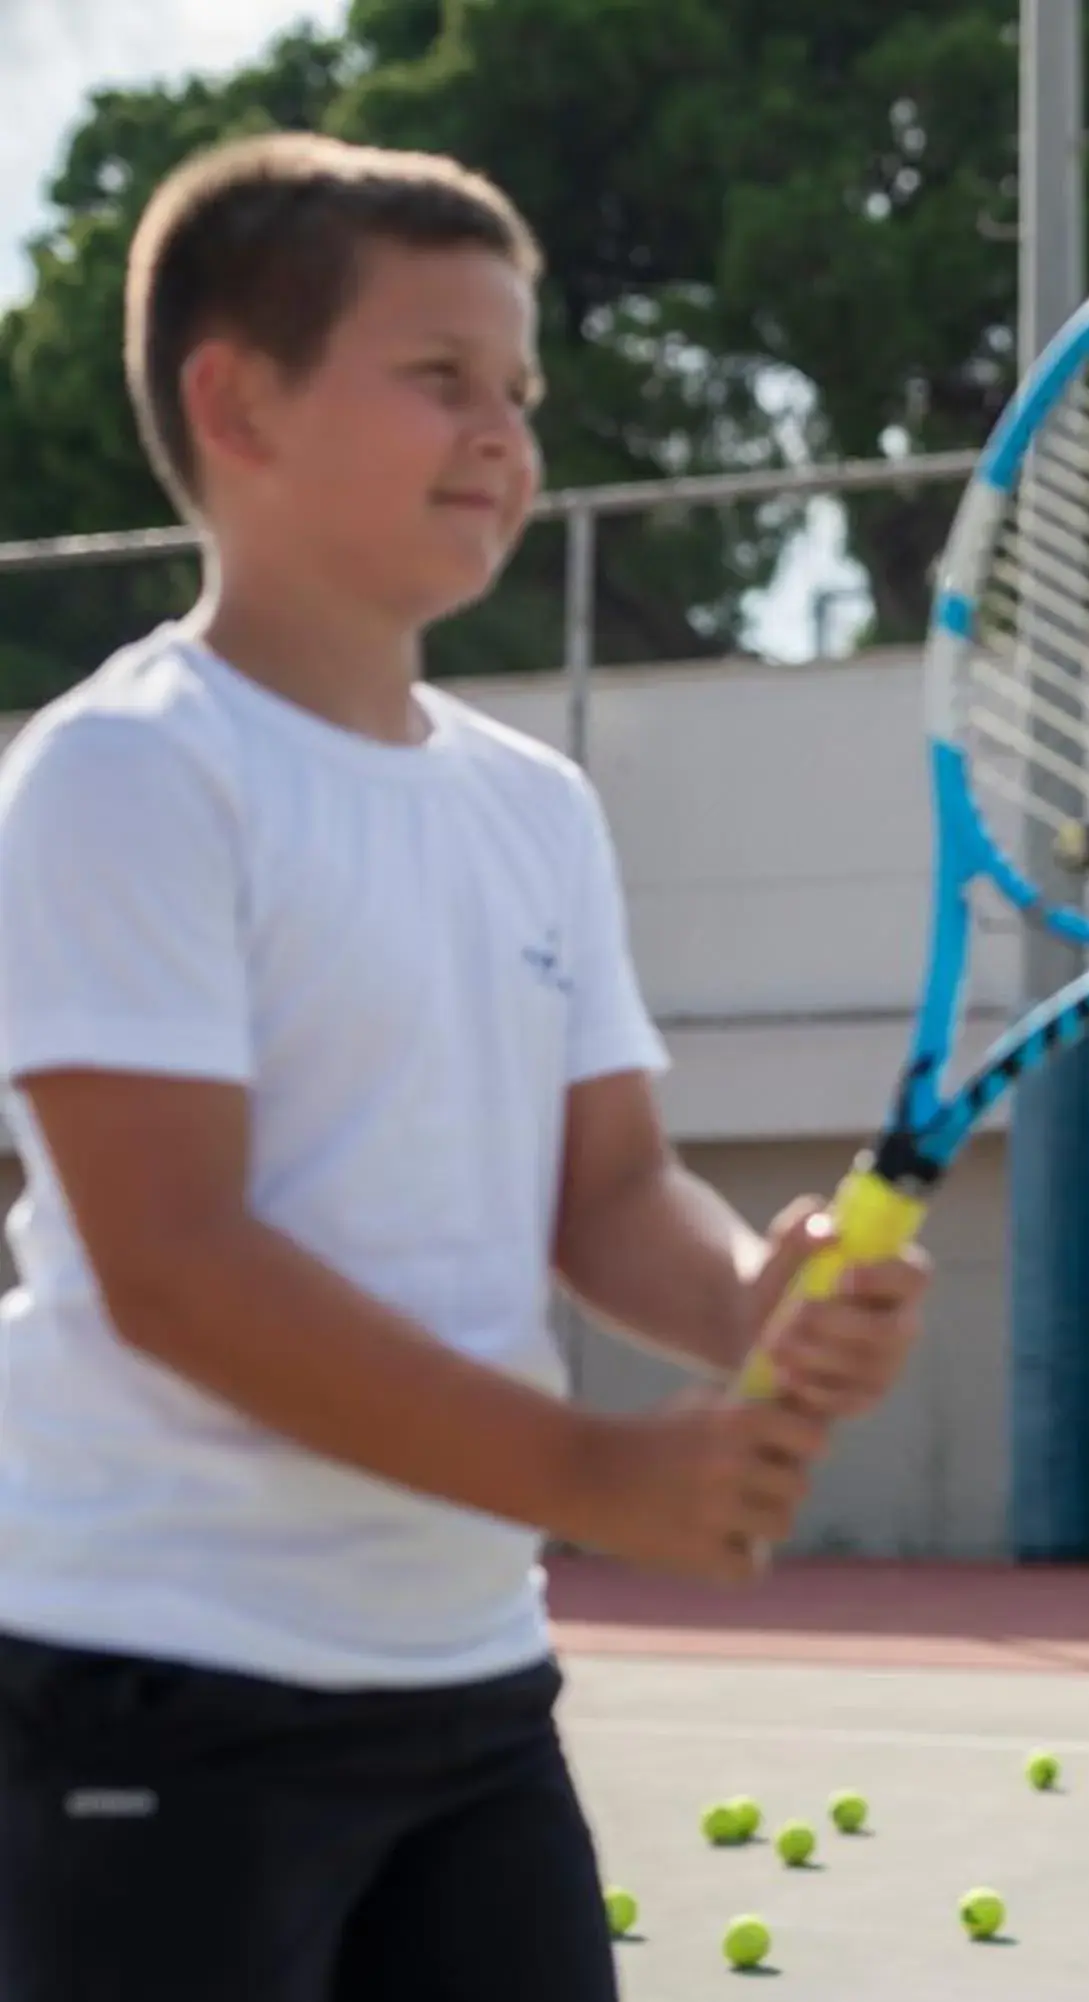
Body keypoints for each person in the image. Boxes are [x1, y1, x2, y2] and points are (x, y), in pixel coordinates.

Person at [0, 134, 929, 2001]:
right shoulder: (124, 779)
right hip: (149, 1680)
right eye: (439, 378)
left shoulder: (536, 809)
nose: (504, 431)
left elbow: (603, 1188)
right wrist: (601, 1468)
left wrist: (748, 1294)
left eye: (520, 390)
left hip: (467, 1686)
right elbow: (176, 1266)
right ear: (234, 401)